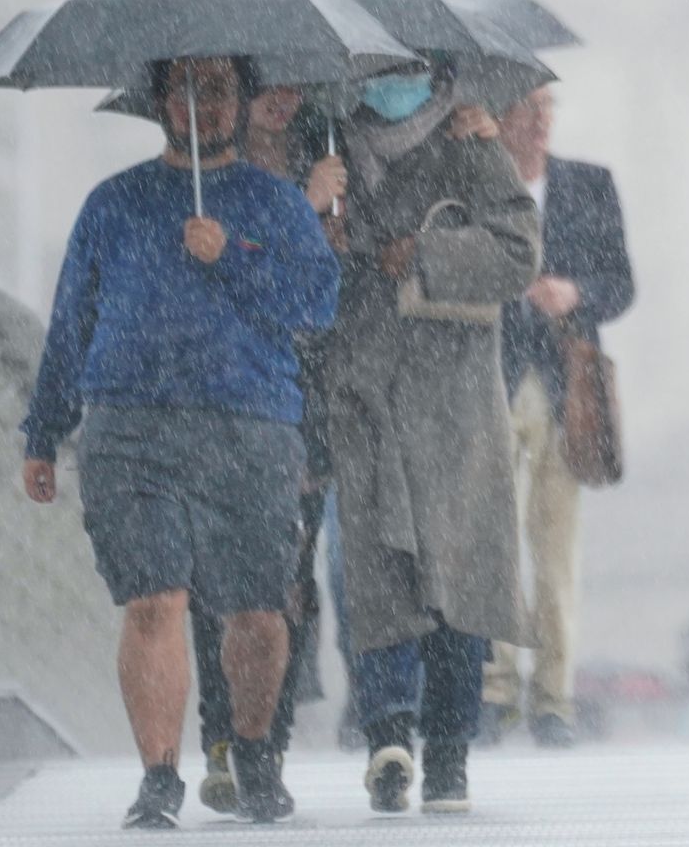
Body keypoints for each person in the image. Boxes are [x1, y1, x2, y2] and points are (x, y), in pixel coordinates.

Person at [20, 56, 340, 828]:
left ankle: (255, 755)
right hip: (129, 427)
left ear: (243, 101)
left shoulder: (276, 204)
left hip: (249, 424)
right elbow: (72, 321)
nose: (202, 105)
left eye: (219, 90)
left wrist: (229, 255)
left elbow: (318, 303)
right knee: (154, 603)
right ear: (160, 100)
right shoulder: (113, 204)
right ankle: (158, 778)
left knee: (258, 611)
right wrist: (43, 430)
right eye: (186, 89)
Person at [324, 72, 541, 814]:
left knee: (456, 576)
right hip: (364, 384)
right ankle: (387, 733)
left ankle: (449, 751)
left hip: (452, 396)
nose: (389, 85)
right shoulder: (327, 141)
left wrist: (426, 252)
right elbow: (298, 261)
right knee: (375, 565)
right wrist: (318, 221)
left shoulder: (472, 143)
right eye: (375, 71)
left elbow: (519, 252)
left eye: (406, 69)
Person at [188, 84, 348, 814]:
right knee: (207, 580)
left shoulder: (333, 162)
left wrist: (322, 216)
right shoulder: (198, 182)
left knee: (285, 577)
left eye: (294, 86)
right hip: (217, 397)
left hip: (302, 399)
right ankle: (219, 737)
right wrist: (298, 214)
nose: (280, 100)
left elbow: (316, 295)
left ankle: (264, 746)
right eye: (264, 85)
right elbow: (218, 286)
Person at [482, 83, 636, 749]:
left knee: (555, 547)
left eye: (548, 107)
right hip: (491, 378)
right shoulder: (478, 186)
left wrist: (574, 293)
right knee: (493, 539)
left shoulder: (588, 183)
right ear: (501, 116)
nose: (541, 120)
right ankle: (493, 690)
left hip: (566, 382)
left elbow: (621, 283)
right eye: (528, 107)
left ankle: (553, 697)